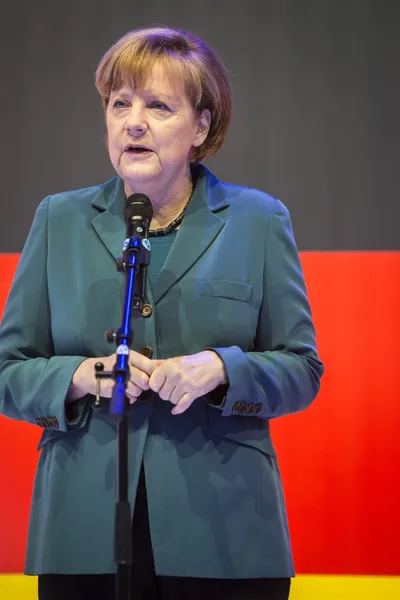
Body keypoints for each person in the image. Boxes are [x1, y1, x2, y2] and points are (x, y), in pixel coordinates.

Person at [0, 26, 324, 600]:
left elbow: (302, 370)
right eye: (120, 103)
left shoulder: (258, 220)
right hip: (84, 531)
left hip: (225, 535)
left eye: (158, 105)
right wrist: (77, 377)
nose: (133, 122)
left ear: (201, 126)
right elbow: (9, 371)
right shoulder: (59, 219)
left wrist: (221, 369)